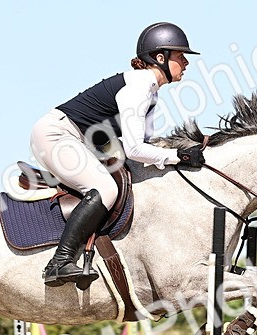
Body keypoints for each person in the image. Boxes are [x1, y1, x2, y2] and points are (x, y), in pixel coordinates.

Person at [30, 22, 207, 290]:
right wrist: (178, 156)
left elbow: (144, 147)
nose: (185, 63)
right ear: (160, 58)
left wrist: (180, 150)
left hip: (82, 139)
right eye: (180, 56)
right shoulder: (138, 86)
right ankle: (59, 262)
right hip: (57, 135)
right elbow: (136, 149)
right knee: (104, 188)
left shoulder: (151, 92)